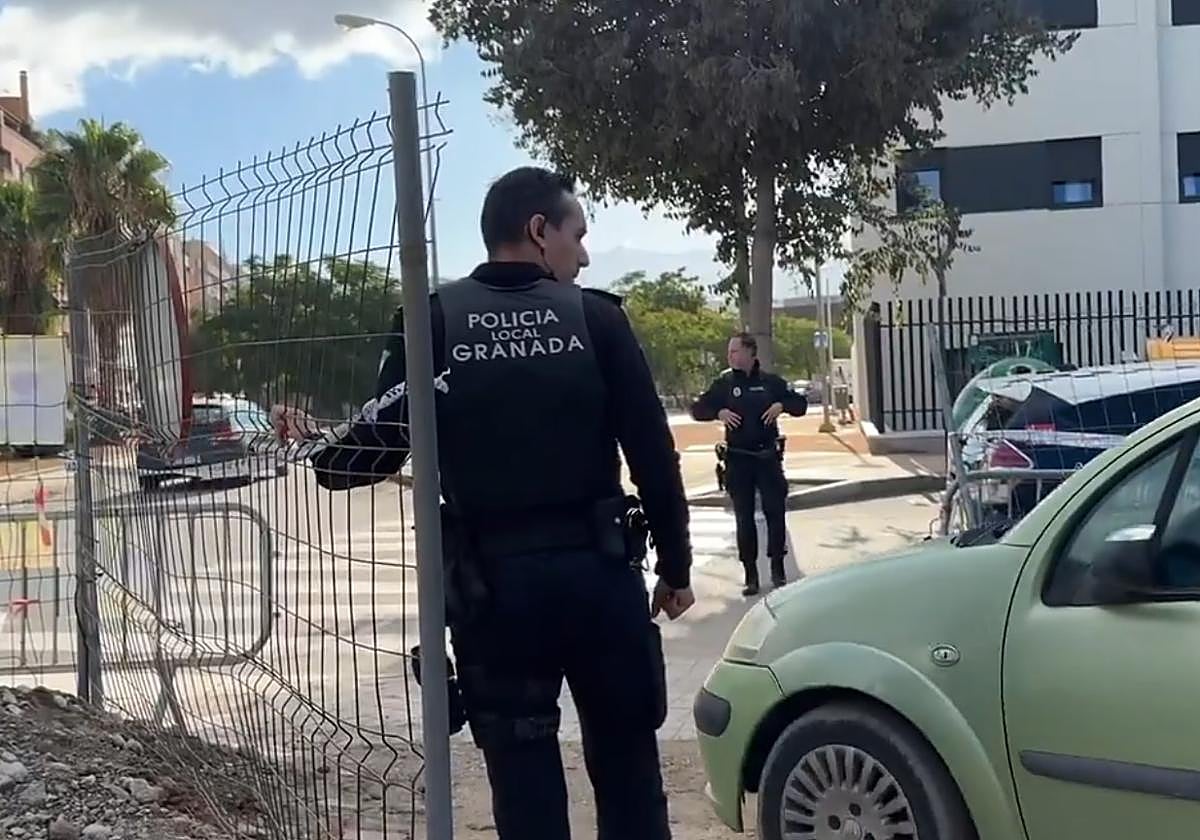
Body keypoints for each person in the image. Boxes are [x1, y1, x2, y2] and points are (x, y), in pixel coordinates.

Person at [272, 166, 694, 840]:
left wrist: (320, 446)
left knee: (523, 791)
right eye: (578, 235)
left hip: (494, 598)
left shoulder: (434, 321)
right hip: (600, 581)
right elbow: (653, 456)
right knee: (630, 777)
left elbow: (360, 459)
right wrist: (674, 567)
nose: (584, 255)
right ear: (539, 230)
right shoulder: (597, 319)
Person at [691, 334, 807, 595]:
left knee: (775, 513)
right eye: (729, 351)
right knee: (743, 519)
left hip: (767, 459)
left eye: (734, 351)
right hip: (738, 460)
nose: (730, 355)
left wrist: (781, 405)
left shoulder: (770, 382)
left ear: (750, 353)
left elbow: (800, 405)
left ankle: (777, 568)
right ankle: (751, 575)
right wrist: (718, 412)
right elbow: (697, 409)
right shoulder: (724, 384)